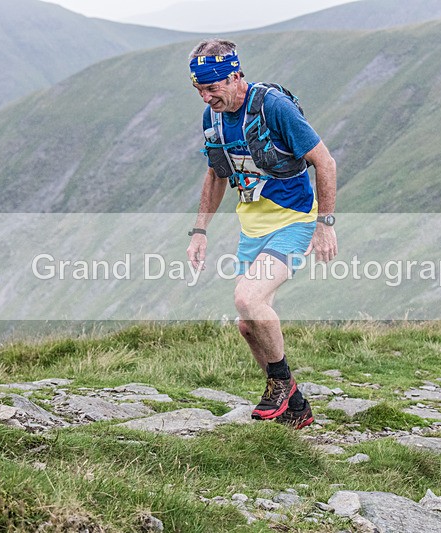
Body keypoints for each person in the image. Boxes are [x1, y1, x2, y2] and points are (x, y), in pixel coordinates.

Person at [186, 38, 337, 429]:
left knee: (246, 297)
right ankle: (296, 407)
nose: (206, 97)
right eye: (199, 89)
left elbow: (325, 162)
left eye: (213, 87)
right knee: (247, 322)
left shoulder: (274, 107)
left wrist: (325, 224)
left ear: (236, 76)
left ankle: (280, 384)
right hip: (252, 228)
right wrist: (200, 231)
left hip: (294, 220)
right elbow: (217, 175)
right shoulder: (213, 119)